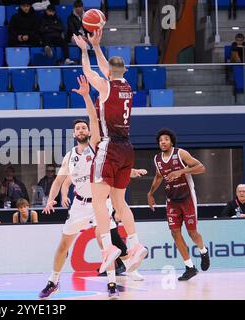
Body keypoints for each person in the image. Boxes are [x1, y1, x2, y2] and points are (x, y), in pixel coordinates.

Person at [38, 77, 146, 300]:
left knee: (105, 242)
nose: (81, 129)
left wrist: (87, 96)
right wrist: (51, 199)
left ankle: (113, 284)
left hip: (100, 203)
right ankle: (53, 281)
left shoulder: (98, 146)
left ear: (88, 131)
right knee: (63, 245)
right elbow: (59, 182)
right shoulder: (70, 156)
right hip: (79, 203)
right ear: (74, 133)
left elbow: (95, 122)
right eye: (77, 128)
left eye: (84, 127)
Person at [74, 31, 148, 298]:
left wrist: (84, 51)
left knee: (97, 202)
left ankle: (108, 248)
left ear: (109, 74)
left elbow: (90, 71)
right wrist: (97, 45)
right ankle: (135, 244)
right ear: (124, 70)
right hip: (128, 148)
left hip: (109, 146)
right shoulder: (127, 85)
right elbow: (107, 67)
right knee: (119, 203)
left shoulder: (104, 87)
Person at [147, 129, 210, 281]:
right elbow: (158, 176)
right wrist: (150, 194)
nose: (163, 141)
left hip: (187, 198)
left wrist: (181, 171)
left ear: (171, 142)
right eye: (161, 139)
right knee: (175, 233)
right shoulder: (157, 159)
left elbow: (201, 167)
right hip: (172, 201)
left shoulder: (181, 153)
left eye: (166, 139)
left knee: (192, 233)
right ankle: (189, 267)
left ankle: (203, 251)